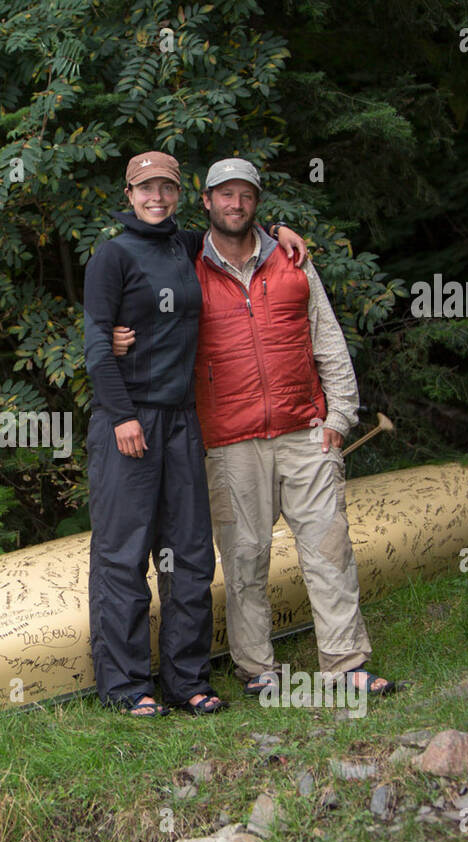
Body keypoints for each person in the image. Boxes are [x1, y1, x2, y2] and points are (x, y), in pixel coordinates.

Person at [112, 157, 394, 700]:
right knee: (244, 559)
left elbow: (328, 341)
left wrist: (340, 418)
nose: (235, 204)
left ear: (256, 204)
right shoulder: (186, 266)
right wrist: (118, 339)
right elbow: (153, 324)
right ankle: (257, 668)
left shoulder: (293, 262)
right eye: (225, 195)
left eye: (245, 196)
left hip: (305, 430)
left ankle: (346, 664)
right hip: (230, 440)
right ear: (207, 202)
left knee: (329, 548)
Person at [83, 151, 307, 716]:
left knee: (187, 553)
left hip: (184, 420)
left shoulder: (186, 248)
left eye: (166, 187)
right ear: (129, 193)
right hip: (128, 422)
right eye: (145, 188)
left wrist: (280, 230)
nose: (156, 197)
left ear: (180, 194)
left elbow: (236, 229)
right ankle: (127, 685)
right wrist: (123, 414)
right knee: (123, 553)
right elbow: (94, 348)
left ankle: (186, 679)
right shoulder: (111, 256)